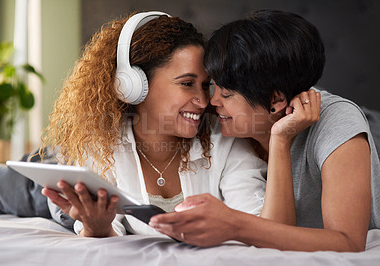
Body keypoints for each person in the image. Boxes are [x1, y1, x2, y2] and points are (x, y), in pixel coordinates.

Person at [149, 10, 380, 252]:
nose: (212, 101)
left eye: (227, 94)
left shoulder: (337, 122)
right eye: (214, 87)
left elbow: (349, 242)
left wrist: (235, 224)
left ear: (277, 99)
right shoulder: (225, 124)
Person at [40, 11, 267, 237]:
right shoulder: (100, 141)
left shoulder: (225, 139)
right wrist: (95, 227)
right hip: (60, 157)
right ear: (134, 87)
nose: (203, 100)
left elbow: (257, 222)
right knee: (39, 196)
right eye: (187, 83)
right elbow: (103, 235)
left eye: (205, 84)